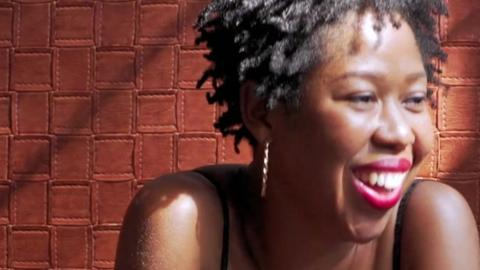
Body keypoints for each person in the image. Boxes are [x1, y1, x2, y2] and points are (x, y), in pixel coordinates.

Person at [115, 1, 480, 269]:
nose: (401, 133)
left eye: (415, 99)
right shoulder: (185, 219)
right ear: (262, 110)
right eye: (363, 97)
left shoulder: (431, 223)